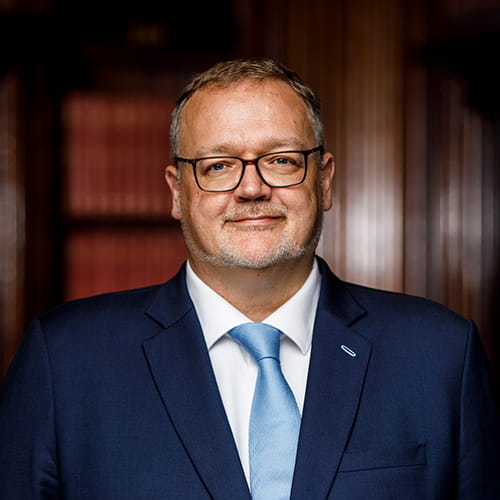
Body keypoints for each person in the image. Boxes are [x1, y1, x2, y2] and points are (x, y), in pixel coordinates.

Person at [0, 58, 498, 499]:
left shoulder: (440, 355)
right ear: (177, 192)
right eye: (218, 166)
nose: (252, 188)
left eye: (281, 160)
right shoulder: (64, 361)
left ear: (323, 181)